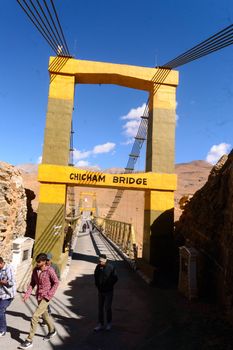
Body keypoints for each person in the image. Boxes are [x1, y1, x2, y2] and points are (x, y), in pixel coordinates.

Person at [19, 253, 59, 349]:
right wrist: (27, 294)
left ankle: (29, 340)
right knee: (45, 316)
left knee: (35, 316)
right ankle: (52, 330)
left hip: (46, 297)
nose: (37, 263)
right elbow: (32, 283)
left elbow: (56, 282)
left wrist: (49, 295)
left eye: (39, 261)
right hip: (39, 296)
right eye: (37, 261)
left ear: (44, 262)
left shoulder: (50, 270)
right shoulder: (35, 270)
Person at [94, 254, 118, 331]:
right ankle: (100, 324)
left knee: (107, 308)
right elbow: (95, 276)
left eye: (101, 260)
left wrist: (109, 285)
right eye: (99, 260)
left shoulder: (111, 267)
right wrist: (97, 286)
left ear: (105, 260)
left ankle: (109, 323)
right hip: (100, 291)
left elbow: (115, 278)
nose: (100, 262)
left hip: (108, 291)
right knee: (100, 308)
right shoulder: (98, 267)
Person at [0, 257, 16, 336]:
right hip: (0, 294)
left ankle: (2, 330)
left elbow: (12, 282)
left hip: (8, 295)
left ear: (1, 263)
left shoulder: (9, 268)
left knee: (0, 310)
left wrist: (3, 282)